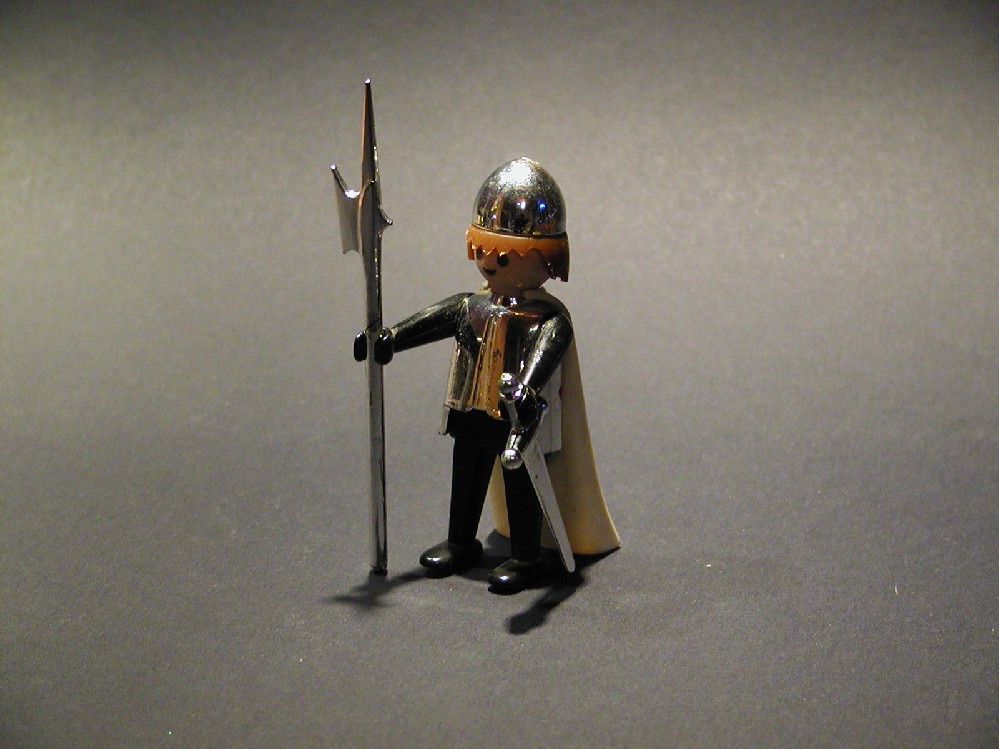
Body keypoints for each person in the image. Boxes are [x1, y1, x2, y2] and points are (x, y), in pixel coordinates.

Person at [360, 157, 618, 593]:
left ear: (547, 257)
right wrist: (391, 339)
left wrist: (526, 389)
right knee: (467, 473)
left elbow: (545, 359)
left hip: (517, 418)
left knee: (520, 483)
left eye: (502, 256)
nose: (490, 264)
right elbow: (435, 321)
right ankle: (460, 541)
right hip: (470, 406)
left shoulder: (547, 319)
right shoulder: (473, 305)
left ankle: (527, 556)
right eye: (482, 252)